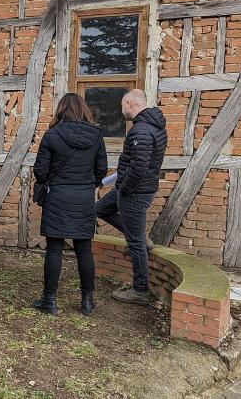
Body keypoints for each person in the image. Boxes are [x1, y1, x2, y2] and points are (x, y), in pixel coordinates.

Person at [31, 93, 107, 316]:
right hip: (83, 197)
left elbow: (41, 170)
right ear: (84, 109)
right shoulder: (96, 136)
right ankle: (87, 301)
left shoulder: (52, 135)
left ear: (61, 110)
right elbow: (101, 169)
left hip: (58, 196)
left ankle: (50, 300)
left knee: (54, 248)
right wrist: (86, 183)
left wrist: (52, 180)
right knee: (84, 249)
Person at [95, 89, 166, 305]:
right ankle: (142, 239)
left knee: (135, 243)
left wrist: (124, 190)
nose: (121, 110)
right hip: (135, 187)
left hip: (135, 191)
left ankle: (140, 290)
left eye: (122, 105)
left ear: (129, 103)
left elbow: (139, 167)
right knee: (100, 209)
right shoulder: (152, 126)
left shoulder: (141, 131)